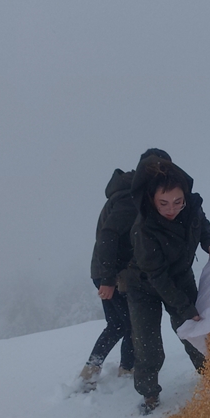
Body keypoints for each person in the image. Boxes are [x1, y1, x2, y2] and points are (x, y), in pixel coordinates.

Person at [120, 155, 210, 414]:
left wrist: (209, 242)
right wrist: (186, 307)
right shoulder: (144, 229)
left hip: (180, 276)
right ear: (152, 200)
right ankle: (149, 394)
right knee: (147, 343)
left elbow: (202, 224)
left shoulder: (191, 208)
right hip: (145, 286)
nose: (171, 208)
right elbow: (158, 277)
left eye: (178, 201)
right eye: (163, 203)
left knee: (194, 331)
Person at [79, 150, 171, 392]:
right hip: (111, 273)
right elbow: (108, 236)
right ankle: (111, 368)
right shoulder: (130, 198)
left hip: (108, 270)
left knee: (121, 322)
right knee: (126, 323)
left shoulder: (133, 192)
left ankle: (111, 368)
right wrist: (108, 279)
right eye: (157, 171)